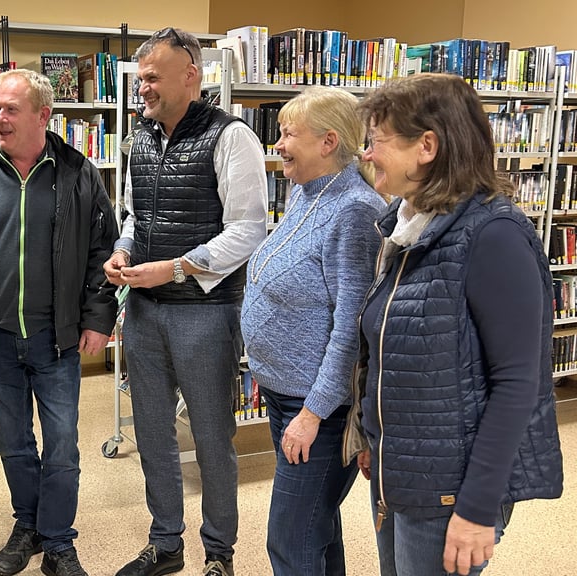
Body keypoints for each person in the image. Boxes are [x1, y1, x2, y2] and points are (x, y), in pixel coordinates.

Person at [346, 73, 564, 576]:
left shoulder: (494, 235)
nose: (367, 154)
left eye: (377, 141)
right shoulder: (407, 227)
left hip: (451, 490)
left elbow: (518, 384)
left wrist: (477, 509)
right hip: (403, 469)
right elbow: (396, 346)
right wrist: (375, 438)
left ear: (427, 146)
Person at [0, 68, 118, 576]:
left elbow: (103, 250)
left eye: (10, 109)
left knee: (62, 445)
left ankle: (58, 542)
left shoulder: (79, 172)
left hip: (55, 338)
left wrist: (98, 317)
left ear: (43, 115)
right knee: (13, 443)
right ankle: (28, 524)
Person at [102, 27, 268, 576]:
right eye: (141, 78)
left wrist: (175, 268)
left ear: (191, 75)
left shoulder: (231, 137)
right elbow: (135, 215)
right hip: (144, 309)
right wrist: (123, 250)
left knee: (211, 438)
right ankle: (165, 543)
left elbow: (249, 230)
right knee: (153, 432)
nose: (142, 87)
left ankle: (219, 553)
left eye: (152, 77)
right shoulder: (140, 139)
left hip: (205, 312)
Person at [240, 87, 386, 576]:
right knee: (314, 530)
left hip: (319, 409)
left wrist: (313, 413)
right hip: (285, 395)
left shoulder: (354, 210)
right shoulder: (307, 192)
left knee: (289, 540)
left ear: (328, 142)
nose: (279, 144)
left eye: (288, 134)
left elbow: (352, 328)